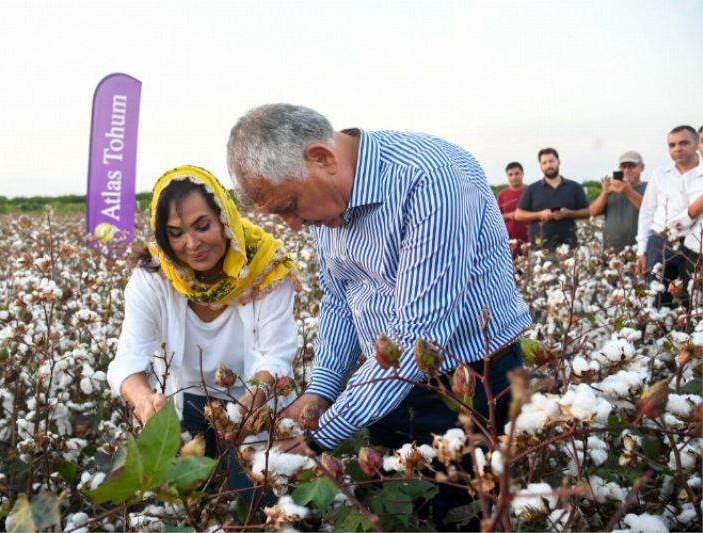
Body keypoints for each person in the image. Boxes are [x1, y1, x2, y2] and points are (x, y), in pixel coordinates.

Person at [227, 103, 532, 528]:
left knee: (467, 517)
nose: (293, 225)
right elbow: (339, 298)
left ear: (323, 158)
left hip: (468, 389)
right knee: (393, 516)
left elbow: (418, 334)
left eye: (290, 206)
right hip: (383, 387)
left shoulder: (429, 178)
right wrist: (321, 391)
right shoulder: (327, 207)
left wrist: (320, 433)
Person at [106, 165, 299, 509]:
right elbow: (130, 356)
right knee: (187, 500)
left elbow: (276, 354)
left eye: (202, 226)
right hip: (185, 400)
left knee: (255, 500)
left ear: (225, 219)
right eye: (175, 233)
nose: (192, 244)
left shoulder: (266, 268)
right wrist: (143, 400)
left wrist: (253, 400)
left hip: (252, 402)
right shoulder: (153, 277)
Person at [636, 126, 701, 307]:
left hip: (694, 246)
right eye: (672, 145)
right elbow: (647, 212)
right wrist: (642, 250)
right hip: (660, 242)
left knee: (692, 299)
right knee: (657, 297)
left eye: (683, 143)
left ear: (696, 144)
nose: (677, 148)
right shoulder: (659, 174)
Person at [514, 148, 590, 249]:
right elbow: (518, 214)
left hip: (569, 248)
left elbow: (587, 212)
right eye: (544, 163)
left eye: (551, 161)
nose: (548, 165)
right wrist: (540, 214)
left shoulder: (574, 187)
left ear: (558, 162)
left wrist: (568, 213)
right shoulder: (532, 189)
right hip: (540, 249)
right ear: (540, 166)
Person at [588, 151, 647, 251]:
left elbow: (650, 210)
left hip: (640, 251)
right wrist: (605, 193)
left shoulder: (649, 188)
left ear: (642, 167)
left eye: (631, 166)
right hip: (612, 253)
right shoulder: (612, 190)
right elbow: (593, 212)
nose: (626, 170)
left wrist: (628, 192)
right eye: (623, 167)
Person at [496, 162, 529, 256]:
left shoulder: (530, 191)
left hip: (529, 242)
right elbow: (496, 218)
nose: (514, 177)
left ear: (522, 174)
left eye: (517, 173)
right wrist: (512, 216)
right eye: (510, 174)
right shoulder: (502, 195)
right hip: (509, 243)